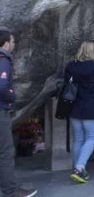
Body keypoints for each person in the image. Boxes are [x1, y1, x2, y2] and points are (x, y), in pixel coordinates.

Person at [64, 42, 94, 184]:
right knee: (91, 138)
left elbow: (67, 85)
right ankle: (80, 167)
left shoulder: (71, 67)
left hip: (74, 107)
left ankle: (78, 169)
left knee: (78, 139)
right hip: (92, 107)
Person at [0, 28, 37, 197]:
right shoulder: (3, 60)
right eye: (13, 41)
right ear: (6, 43)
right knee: (6, 152)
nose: (14, 44)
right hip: (0, 110)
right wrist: (12, 96)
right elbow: (2, 86)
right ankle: (11, 190)